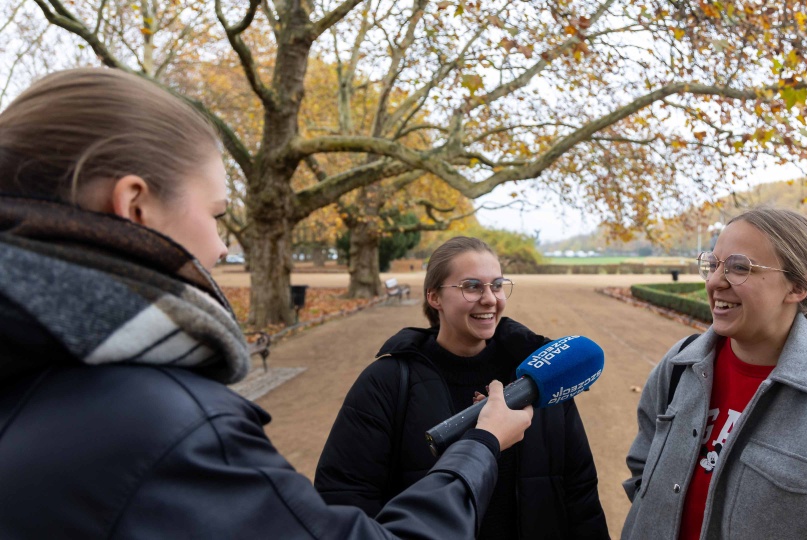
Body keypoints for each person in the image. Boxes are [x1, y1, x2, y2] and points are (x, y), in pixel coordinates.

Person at [0, 68, 534, 538]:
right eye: (215, 214)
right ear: (135, 205)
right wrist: (481, 445)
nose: (221, 245)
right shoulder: (170, 428)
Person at [621, 207, 807, 540]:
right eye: (713, 264)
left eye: (739, 267)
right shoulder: (678, 366)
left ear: (797, 288)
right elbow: (643, 475)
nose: (716, 281)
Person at [315, 237, 609, 539]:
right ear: (434, 297)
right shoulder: (386, 382)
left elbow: (580, 494)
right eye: (472, 286)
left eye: (496, 285)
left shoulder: (544, 375)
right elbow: (345, 498)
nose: (490, 299)